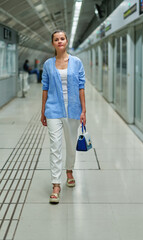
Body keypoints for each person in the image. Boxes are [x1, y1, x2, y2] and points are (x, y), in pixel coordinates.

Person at [41, 30, 86, 204]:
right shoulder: (48, 64)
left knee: (70, 144)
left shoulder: (77, 62)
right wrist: (43, 110)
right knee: (55, 147)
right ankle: (56, 185)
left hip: (73, 109)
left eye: (62, 38)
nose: (59, 41)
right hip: (53, 110)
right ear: (52, 43)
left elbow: (82, 87)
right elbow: (45, 88)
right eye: (56, 39)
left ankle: (69, 171)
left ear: (66, 41)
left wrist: (83, 111)